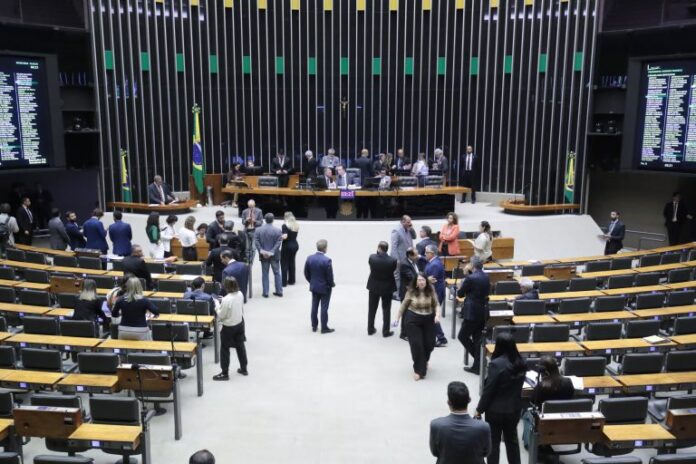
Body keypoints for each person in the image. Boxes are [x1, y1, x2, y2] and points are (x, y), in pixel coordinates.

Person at [475, 333, 526, 464]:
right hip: (513, 410)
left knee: (494, 443)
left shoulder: (496, 364)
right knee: (512, 441)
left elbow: (489, 390)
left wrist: (479, 409)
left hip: (495, 411)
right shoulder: (521, 363)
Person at [430, 381, 491, 464]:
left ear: (448, 402)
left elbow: (435, 452)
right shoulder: (483, 427)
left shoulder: (436, 425)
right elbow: (486, 452)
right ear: (469, 400)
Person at [395, 273, 440, 380]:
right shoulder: (411, 291)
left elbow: (436, 304)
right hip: (413, 319)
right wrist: (397, 317)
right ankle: (419, 371)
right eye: (419, 280)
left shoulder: (431, 289)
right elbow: (404, 304)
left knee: (430, 344)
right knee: (417, 344)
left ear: (426, 281)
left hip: (428, 318)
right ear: (416, 281)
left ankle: (424, 360)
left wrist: (437, 315)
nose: (421, 282)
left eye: (423, 280)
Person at [456, 256, 491, 374]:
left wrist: (461, 284)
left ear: (473, 265)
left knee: (462, 336)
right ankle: (478, 365)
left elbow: (460, 294)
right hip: (482, 311)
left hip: (471, 313)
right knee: (477, 339)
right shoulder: (486, 276)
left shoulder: (470, 278)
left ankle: (478, 360)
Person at [212, 277, 248, 380]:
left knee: (224, 349)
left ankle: (224, 373)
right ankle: (244, 368)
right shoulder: (240, 294)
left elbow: (221, 315)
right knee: (240, 346)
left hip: (229, 327)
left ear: (226, 286)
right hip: (239, 323)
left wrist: (217, 304)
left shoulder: (227, 299)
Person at [366, 241, 397, 337]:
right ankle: (386, 331)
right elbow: (393, 270)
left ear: (379, 248)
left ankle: (370, 329)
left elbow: (373, 261)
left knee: (372, 309)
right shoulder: (392, 260)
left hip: (374, 286)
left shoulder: (372, 257)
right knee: (386, 310)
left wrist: (377, 252)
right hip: (387, 287)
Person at [304, 239, 335, 334]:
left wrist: (312, 281)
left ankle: (314, 326)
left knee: (314, 306)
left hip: (314, 286)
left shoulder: (309, 258)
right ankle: (324, 328)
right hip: (325, 288)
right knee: (324, 308)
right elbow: (330, 276)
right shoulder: (327, 260)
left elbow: (306, 273)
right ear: (325, 248)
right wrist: (331, 284)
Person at [424, 245, 449, 347]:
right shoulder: (435, 261)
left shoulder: (434, 265)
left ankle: (441, 338)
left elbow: (431, 281)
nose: (425, 254)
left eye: (426, 252)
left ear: (432, 253)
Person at [255, 213, 283, 298]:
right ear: (273, 219)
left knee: (265, 274)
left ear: (264, 219)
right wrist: (271, 252)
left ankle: (266, 292)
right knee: (277, 273)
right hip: (274, 255)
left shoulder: (258, 230)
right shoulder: (278, 230)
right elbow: (278, 242)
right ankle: (279, 291)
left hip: (264, 256)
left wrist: (262, 251)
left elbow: (256, 241)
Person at [390, 215, 416, 299]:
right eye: (408, 222)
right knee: (397, 275)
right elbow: (394, 246)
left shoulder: (408, 229)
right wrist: (396, 259)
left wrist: (411, 228)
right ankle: (396, 294)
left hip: (408, 257)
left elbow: (414, 237)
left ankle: (403, 292)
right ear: (402, 222)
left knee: (405, 276)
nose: (410, 223)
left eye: (410, 222)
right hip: (399, 258)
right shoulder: (396, 231)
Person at [281, 212, 300, 286]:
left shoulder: (285, 225)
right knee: (292, 262)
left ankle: (284, 282)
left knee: (284, 263)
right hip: (295, 245)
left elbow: (285, 236)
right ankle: (292, 281)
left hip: (287, 246)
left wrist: (279, 237)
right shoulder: (296, 225)